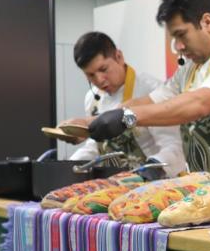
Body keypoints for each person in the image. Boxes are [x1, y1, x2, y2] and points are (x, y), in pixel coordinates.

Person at [70, 0, 210, 179]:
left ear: (207, 22)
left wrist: (128, 117)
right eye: (174, 38)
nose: (178, 46)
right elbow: (152, 100)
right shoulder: (189, 70)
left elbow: (200, 103)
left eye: (181, 35)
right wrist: (89, 124)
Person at [64, 31, 186, 176]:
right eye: (90, 75)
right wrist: (70, 166)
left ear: (119, 57)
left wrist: (154, 167)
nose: (99, 80)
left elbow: (173, 146)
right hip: (115, 182)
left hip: (156, 180)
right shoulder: (92, 99)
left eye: (103, 69)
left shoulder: (151, 90)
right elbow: (96, 146)